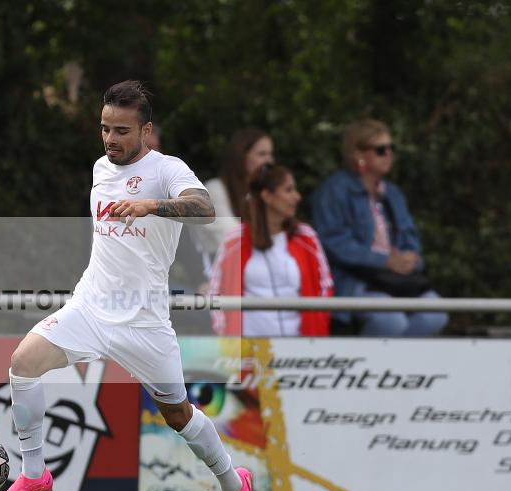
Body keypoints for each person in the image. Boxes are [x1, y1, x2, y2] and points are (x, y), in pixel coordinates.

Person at [0, 81, 257, 491]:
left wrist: (151, 205)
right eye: (105, 129)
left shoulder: (167, 169)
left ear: (147, 131)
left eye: (122, 131)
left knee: (178, 416)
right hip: (91, 306)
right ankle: (34, 473)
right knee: (23, 363)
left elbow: (206, 209)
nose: (111, 139)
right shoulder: (99, 167)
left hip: (146, 322)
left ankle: (234, 486)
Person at [311, 118, 448, 336]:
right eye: (381, 150)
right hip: (356, 281)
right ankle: (375, 367)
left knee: (436, 314)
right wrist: (385, 261)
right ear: (358, 154)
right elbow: (333, 242)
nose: (389, 154)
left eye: (391, 148)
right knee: (390, 321)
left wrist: (409, 259)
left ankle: (398, 367)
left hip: (396, 281)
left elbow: (410, 238)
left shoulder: (392, 193)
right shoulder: (333, 191)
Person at [210, 163, 332, 337]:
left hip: (302, 350)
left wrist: (316, 334)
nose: (297, 197)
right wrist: (227, 339)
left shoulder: (307, 237)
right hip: (248, 353)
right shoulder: (234, 240)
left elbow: (325, 287)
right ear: (267, 196)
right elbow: (216, 291)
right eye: (288, 190)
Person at [190, 129, 274, 288]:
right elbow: (230, 239)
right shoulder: (215, 190)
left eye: (270, 154)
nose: (269, 161)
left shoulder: (261, 194)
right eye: (262, 154)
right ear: (242, 157)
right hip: (219, 277)